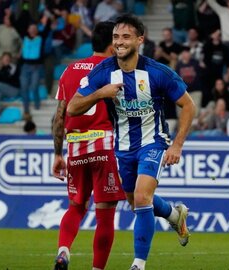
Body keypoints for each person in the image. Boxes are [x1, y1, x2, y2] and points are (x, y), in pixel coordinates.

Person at [67, 14, 196, 270]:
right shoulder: (103, 72)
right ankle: (173, 214)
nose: (119, 42)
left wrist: (177, 144)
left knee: (141, 196)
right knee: (136, 200)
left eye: (126, 37)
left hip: (154, 142)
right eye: (116, 37)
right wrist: (100, 93)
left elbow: (188, 105)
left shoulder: (158, 73)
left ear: (140, 40)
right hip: (123, 147)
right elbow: (72, 107)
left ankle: (138, 264)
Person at [52, 21, 126, 270]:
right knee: (105, 213)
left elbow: (60, 115)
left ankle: (63, 251)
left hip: (74, 146)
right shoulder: (114, 69)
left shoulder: (70, 69)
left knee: (75, 207)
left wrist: (57, 154)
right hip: (103, 144)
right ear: (111, 43)